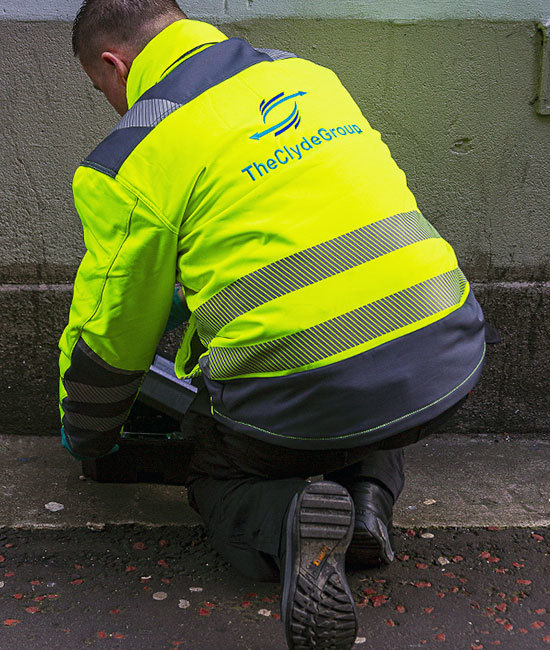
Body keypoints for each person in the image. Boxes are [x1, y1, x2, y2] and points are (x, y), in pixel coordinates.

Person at [59, 1, 486, 648]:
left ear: (115, 66)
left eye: (102, 90)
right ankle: (366, 502)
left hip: (293, 391)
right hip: (445, 352)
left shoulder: (130, 153)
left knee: (217, 472)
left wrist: (86, 435)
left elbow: (109, 339)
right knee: (370, 378)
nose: (112, 103)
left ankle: (284, 522)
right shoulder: (305, 73)